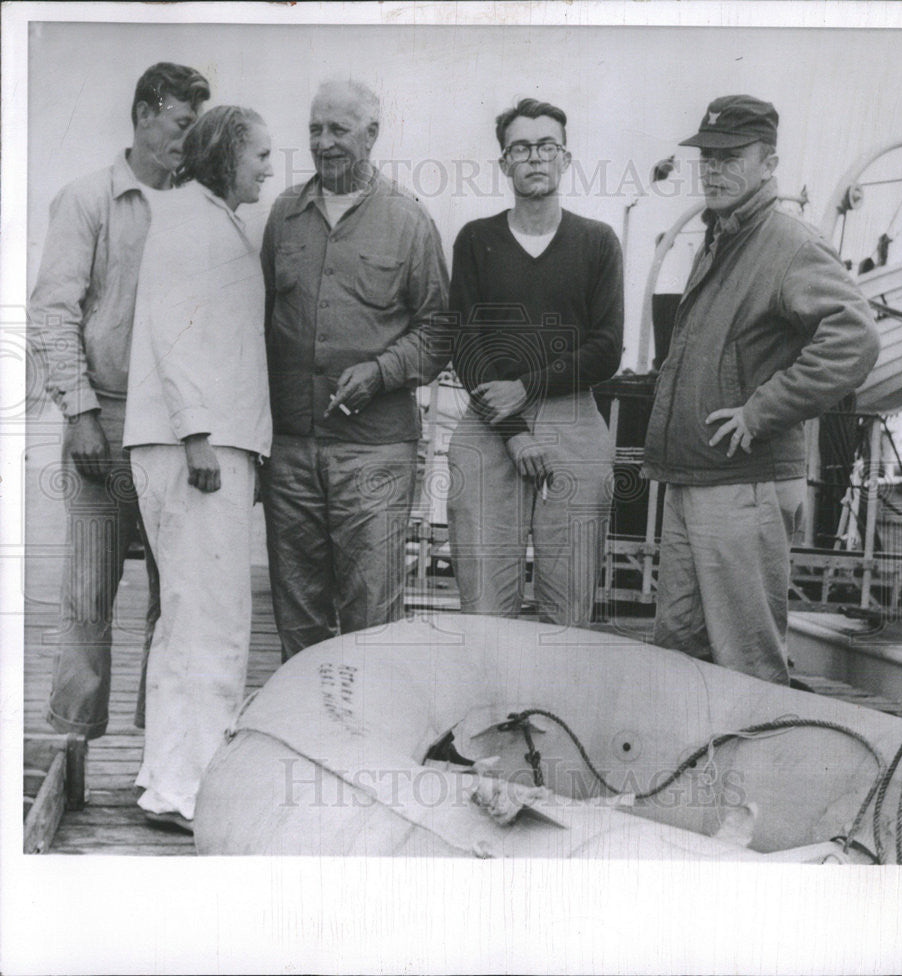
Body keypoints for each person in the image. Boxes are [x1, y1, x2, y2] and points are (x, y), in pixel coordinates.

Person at [643, 95, 880, 684]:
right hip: (690, 477)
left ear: (769, 164)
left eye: (731, 156)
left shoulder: (788, 243)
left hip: (741, 484)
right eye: (707, 158)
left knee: (747, 663)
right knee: (677, 651)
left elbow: (856, 338)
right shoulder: (721, 235)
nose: (714, 170)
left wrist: (761, 410)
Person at [29, 62, 210, 740]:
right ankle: (71, 747)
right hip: (101, 419)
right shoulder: (85, 200)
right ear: (142, 114)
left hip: (177, 430)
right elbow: (52, 312)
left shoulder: (200, 208)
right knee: (87, 597)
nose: (187, 144)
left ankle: (160, 756)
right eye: (181, 125)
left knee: (178, 599)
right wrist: (78, 414)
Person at [259, 79, 450, 659]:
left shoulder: (409, 221)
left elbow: (439, 330)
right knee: (297, 619)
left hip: (375, 454)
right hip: (291, 452)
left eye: (338, 129)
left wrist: (382, 372)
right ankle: (311, 742)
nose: (324, 142)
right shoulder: (284, 214)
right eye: (315, 129)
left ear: (372, 134)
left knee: (372, 622)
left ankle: (369, 744)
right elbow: (260, 323)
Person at [122, 105, 274, 829]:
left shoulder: (210, 217)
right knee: (212, 624)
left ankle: (165, 780)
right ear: (224, 156)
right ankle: (195, 793)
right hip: (195, 450)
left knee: (186, 621)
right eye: (259, 157)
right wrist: (198, 435)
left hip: (206, 444)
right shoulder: (189, 219)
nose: (268, 170)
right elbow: (172, 333)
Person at [447, 98, 624, 627]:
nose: (535, 158)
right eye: (521, 147)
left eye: (548, 146)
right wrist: (515, 430)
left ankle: (557, 708)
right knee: (483, 607)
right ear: (505, 163)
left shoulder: (597, 242)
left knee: (568, 609)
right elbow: (466, 343)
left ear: (565, 158)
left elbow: (607, 348)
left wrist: (526, 387)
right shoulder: (477, 240)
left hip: (574, 419)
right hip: (491, 423)